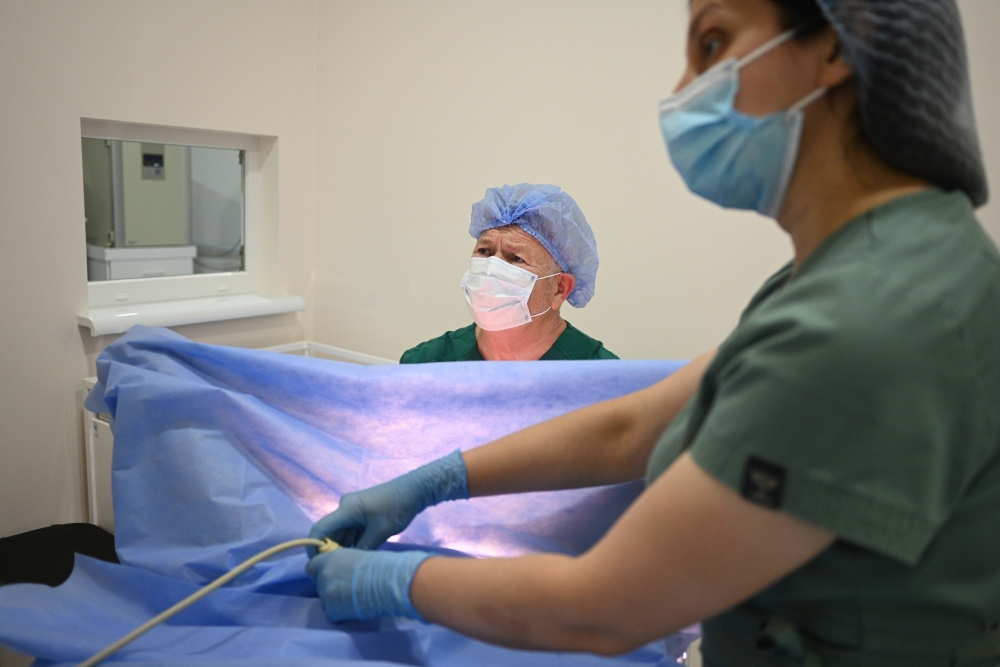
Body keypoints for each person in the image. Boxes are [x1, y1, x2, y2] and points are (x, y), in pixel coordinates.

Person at [307, 0, 1000, 664]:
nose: (682, 93)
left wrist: (394, 581)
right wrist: (434, 482)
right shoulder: (854, 269)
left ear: (838, 45)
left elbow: (604, 607)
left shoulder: (872, 312)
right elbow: (635, 426)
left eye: (712, 43)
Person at [399, 183, 618, 362]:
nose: (492, 268)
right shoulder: (426, 364)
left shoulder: (603, 378)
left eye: (515, 258)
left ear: (559, 289)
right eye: (484, 251)